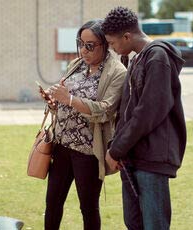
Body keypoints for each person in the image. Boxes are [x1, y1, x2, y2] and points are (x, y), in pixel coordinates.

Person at [102, 7, 187, 230]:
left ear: (127, 37)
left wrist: (116, 149)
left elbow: (148, 112)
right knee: (133, 222)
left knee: (154, 225)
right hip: (132, 157)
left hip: (152, 160)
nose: (112, 49)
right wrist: (116, 147)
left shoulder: (157, 57)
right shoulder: (136, 58)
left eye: (112, 43)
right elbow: (127, 110)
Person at [40, 19, 126, 230]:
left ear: (105, 44)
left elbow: (106, 109)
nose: (83, 50)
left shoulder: (117, 72)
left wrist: (69, 99)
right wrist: (54, 102)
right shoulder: (76, 64)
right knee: (52, 203)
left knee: (88, 208)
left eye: (90, 45)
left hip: (88, 152)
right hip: (62, 146)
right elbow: (63, 99)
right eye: (80, 43)